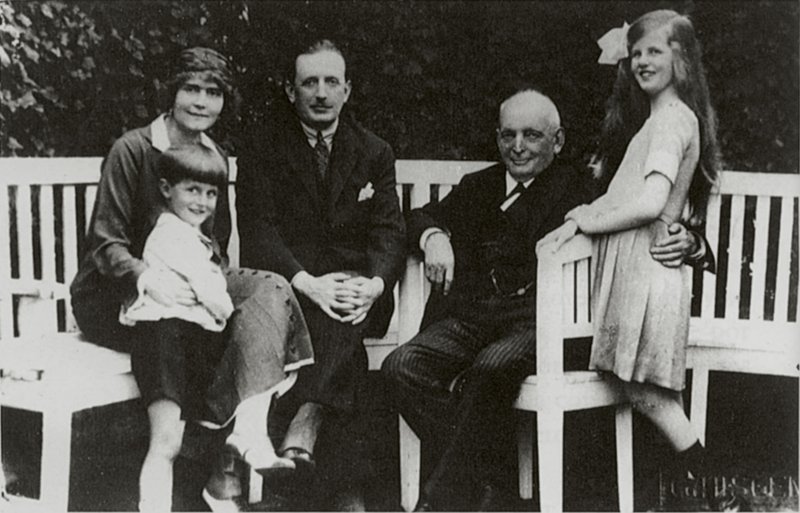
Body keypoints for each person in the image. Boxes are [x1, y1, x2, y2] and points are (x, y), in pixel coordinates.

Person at [381, 86, 710, 511]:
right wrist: (433, 237)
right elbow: (418, 217)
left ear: (558, 141)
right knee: (400, 367)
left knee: (491, 369)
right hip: (472, 319)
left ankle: (445, 499)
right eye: (508, 135)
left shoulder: (584, 189)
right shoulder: (477, 186)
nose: (517, 147)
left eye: (532, 136)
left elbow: (651, 216)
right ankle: (483, 480)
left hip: (540, 322)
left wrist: (693, 243)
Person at [69, 47, 313, 513]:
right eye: (191, 89)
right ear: (172, 92)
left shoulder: (212, 158)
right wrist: (146, 278)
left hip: (189, 289)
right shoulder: (134, 149)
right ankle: (220, 469)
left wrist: (212, 293)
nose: (201, 102)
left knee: (270, 289)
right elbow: (105, 243)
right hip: (117, 294)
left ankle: (246, 433)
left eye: (213, 92)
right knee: (209, 324)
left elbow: (214, 248)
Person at [539, 9, 740, 511]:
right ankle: (706, 493)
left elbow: (652, 202)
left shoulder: (672, 119)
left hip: (649, 268)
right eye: (636, 53)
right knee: (638, 387)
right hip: (636, 269)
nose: (642, 61)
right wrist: (580, 214)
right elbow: (619, 192)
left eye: (655, 50)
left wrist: (586, 222)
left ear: (682, 59)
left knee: (645, 389)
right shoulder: (655, 120)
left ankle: (714, 490)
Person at [235, 39, 405, 509]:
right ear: (291, 91)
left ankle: (306, 419)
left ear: (348, 90)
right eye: (309, 82)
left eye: (332, 81)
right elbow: (258, 230)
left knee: (344, 307)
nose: (321, 92)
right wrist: (307, 282)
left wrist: (374, 285)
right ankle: (346, 491)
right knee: (341, 338)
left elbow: (389, 230)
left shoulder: (374, 151)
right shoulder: (263, 147)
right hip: (291, 290)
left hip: (360, 292)